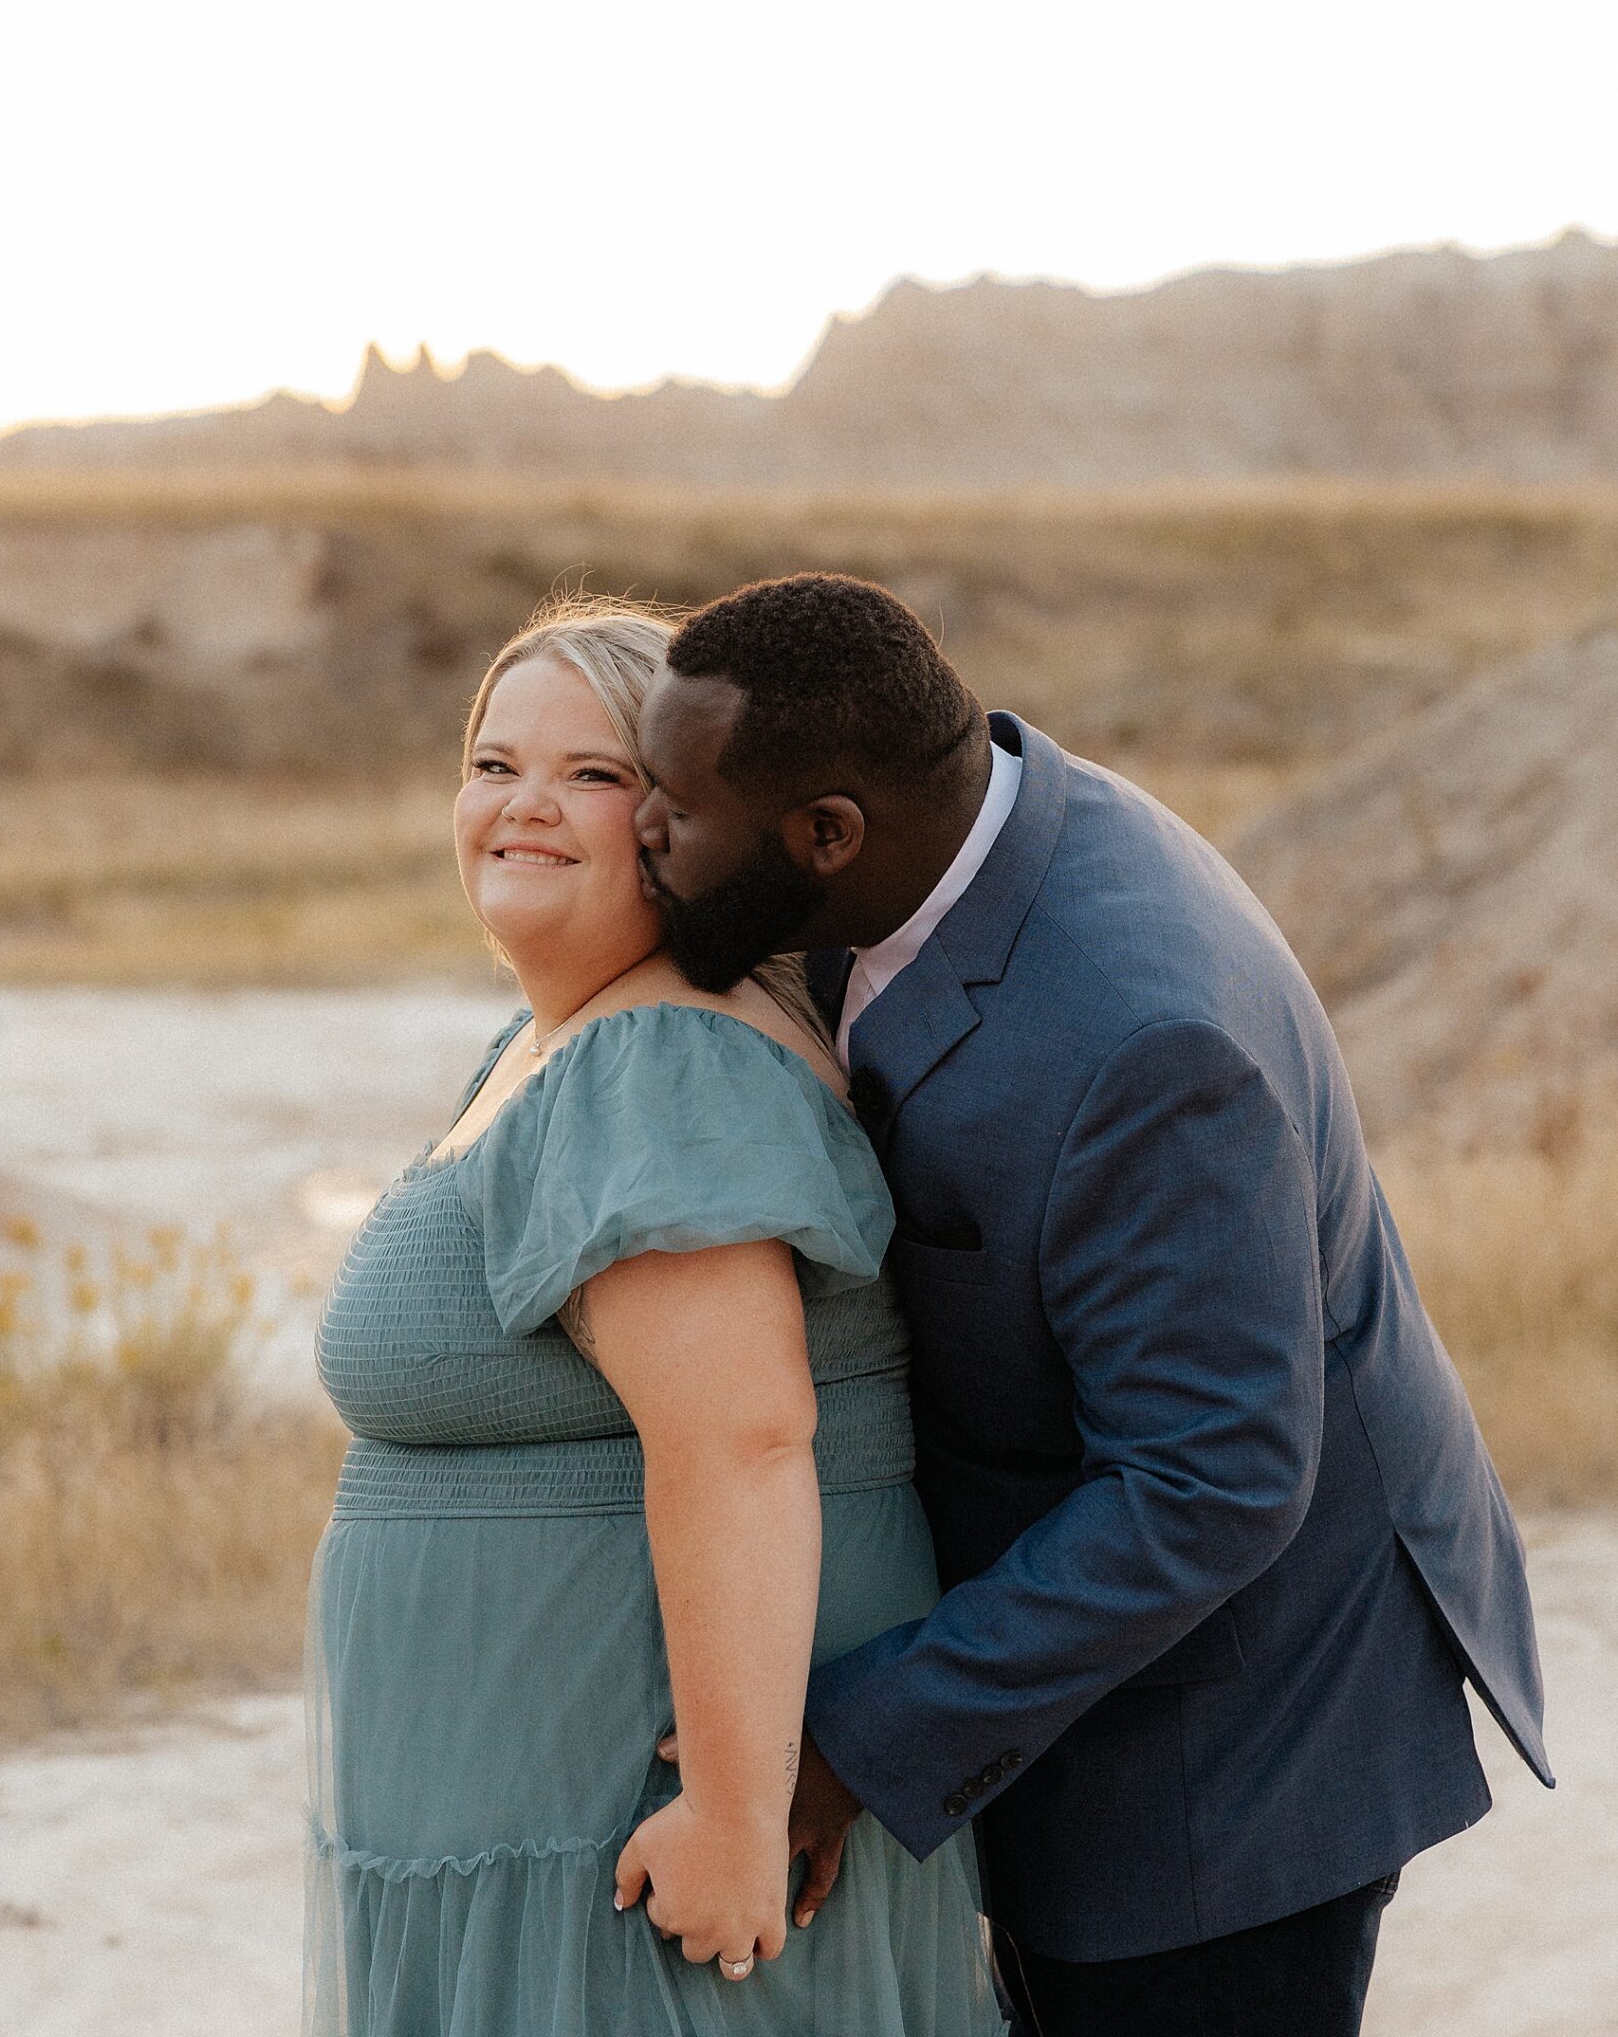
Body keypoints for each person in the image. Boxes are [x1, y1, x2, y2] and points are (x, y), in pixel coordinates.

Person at [634, 571, 1553, 2037]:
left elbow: (1215, 1478)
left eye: (674, 807)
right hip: (1136, 1678)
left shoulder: (1141, 1043)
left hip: (1227, 1763)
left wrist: (853, 1751)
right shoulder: (961, 840)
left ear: (828, 834)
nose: (642, 831)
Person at [302, 598, 1005, 2037]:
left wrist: (738, 1818)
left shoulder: (660, 1061)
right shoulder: (562, 1039)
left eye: (595, 774)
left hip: (625, 1857)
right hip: (526, 1842)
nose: (525, 806)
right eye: (494, 765)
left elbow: (743, 1440)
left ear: (686, 821)